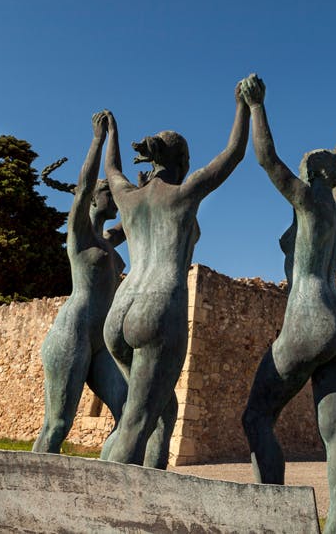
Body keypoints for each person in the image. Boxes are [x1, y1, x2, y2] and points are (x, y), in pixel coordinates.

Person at [101, 80, 250, 467]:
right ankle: (103, 509)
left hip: (119, 312)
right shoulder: (185, 194)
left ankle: (151, 488)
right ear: (183, 163)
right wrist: (244, 106)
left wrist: (110, 133)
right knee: (135, 421)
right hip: (157, 310)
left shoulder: (128, 198)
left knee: (158, 408)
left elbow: (112, 167)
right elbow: (232, 154)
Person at [239, 75, 336, 534]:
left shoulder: (308, 201)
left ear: (313, 177)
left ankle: (274, 517)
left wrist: (257, 107)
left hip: (309, 314)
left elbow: (267, 159)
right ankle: (334, 529)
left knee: (256, 416)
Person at [33, 111, 128, 459]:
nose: (112, 198)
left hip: (100, 342)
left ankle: (104, 484)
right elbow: (86, 184)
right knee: (57, 425)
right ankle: (31, 489)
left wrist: (151, 183)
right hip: (72, 333)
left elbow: (135, 214)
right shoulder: (80, 235)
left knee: (128, 411)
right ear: (90, 200)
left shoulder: (106, 241)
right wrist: (98, 140)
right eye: (106, 193)